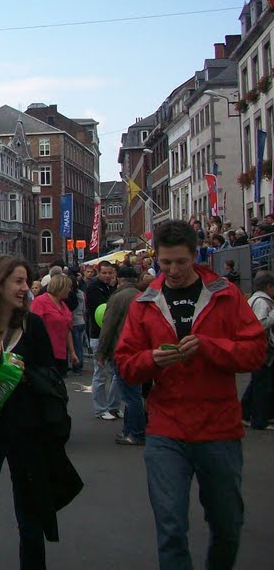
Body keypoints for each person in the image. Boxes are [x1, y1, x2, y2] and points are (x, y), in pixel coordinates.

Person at [115, 220, 266, 570]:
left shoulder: (225, 295)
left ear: (195, 256)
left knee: (227, 524)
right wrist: (152, 359)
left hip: (219, 428)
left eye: (180, 262)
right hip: (166, 427)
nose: (172, 271)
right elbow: (126, 363)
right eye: (165, 263)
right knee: (170, 527)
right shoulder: (145, 302)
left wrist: (209, 347)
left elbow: (256, 351)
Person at [0, 255, 78, 569]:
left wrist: (23, 372)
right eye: (18, 282)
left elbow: (52, 377)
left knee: (30, 523)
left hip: (28, 434)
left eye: (25, 282)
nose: (25, 289)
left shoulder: (32, 325)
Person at [97, 277, 147, 445]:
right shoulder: (141, 295)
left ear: (121, 280)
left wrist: (101, 353)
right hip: (138, 350)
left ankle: (137, 433)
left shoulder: (119, 298)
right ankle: (129, 430)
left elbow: (108, 325)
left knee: (131, 395)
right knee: (133, 393)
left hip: (122, 350)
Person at [86, 260, 121, 419]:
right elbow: (105, 309)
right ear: (98, 273)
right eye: (104, 273)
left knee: (117, 372)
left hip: (113, 335)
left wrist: (114, 287)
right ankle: (100, 408)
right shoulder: (93, 288)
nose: (107, 276)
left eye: (110, 273)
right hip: (98, 334)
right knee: (100, 373)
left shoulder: (113, 287)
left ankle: (113, 406)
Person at [241, 270, 274, 430]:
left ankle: (245, 413)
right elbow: (260, 324)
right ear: (268, 286)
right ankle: (259, 419)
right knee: (261, 383)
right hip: (262, 348)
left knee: (257, 381)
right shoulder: (262, 302)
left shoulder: (253, 299)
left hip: (255, 347)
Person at [29, 274, 79, 375]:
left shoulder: (63, 305)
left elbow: (67, 330)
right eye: (68, 287)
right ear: (61, 287)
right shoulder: (40, 302)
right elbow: (32, 328)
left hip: (60, 353)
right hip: (44, 353)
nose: (69, 290)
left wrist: (72, 352)